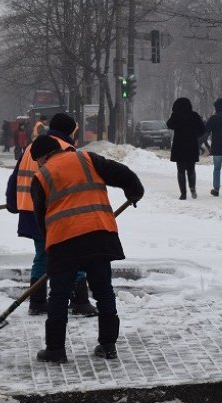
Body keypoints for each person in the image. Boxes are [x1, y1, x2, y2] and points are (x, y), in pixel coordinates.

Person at [29, 135, 144, 362]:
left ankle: (55, 350)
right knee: (103, 291)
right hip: (98, 235)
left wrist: (50, 245)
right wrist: (134, 192)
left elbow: (40, 218)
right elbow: (123, 174)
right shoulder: (88, 159)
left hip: (63, 242)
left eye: (38, 161)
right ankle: (108, 345)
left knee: (59, 296)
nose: (40, 165)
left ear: (43, 157)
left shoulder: (41, 176)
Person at [6, 113, 98, 317]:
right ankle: (80, 300)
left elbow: (15, 178)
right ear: (69, 131)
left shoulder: (33, 146)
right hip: (54, 213)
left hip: (31, 213)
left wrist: (13, 204)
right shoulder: (65, 150)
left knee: (42, 256)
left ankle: (37, 302)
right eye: (75, 132)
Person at [167, 97, 206, 200]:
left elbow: (169, 124)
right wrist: (194, 135)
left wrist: (174, 114)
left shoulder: (176, 116)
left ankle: (183, 194)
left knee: (180, 171)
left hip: (179, 146)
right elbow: (202, 129)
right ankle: (192, 189)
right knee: (191, 169)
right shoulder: (194, 115)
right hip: (191, 145)